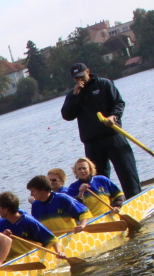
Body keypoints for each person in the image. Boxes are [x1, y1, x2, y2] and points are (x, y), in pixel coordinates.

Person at [60, 62, 141, 198]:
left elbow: (119, 103)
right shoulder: (73, 94)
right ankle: (106, 204)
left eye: (81, 76)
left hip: (112, 136)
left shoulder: (104, 84)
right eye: (76, 78)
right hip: (92, 142)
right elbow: (67, 115)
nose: (79, 80)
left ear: (88, 72)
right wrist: (75, 96)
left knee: (127, 171)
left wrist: (113, 116)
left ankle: (135, 197)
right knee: (97, 179)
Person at [0, 191, 65, 260]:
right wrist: (3, 236)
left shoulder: (29, 221)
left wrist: (58, 252)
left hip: (30, 257)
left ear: (5, 210)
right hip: (10, 259)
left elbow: (51, 238)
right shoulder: (1, 223)